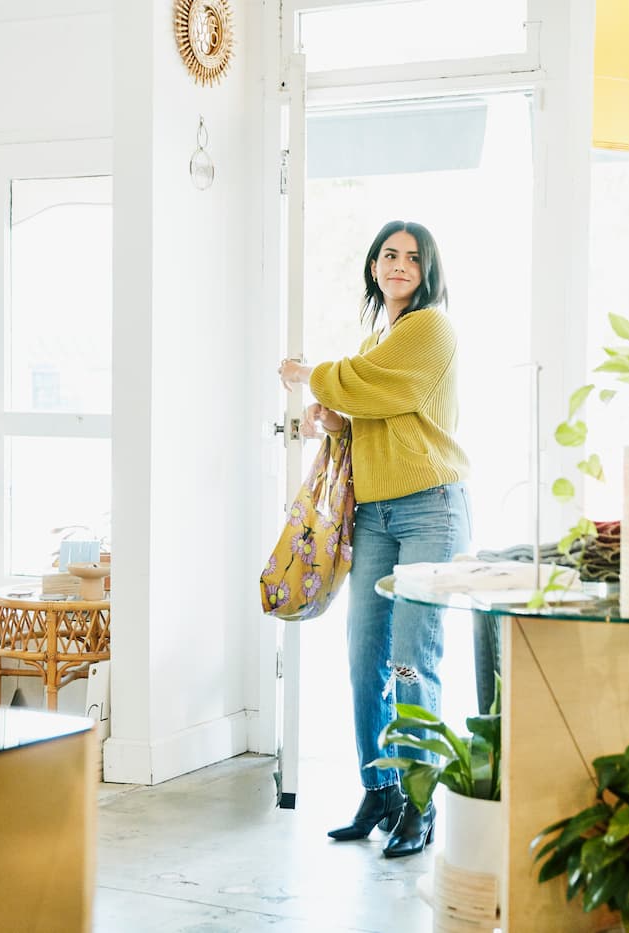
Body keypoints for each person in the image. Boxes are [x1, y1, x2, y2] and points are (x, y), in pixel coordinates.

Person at [278, 220, 471, 859]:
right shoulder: (377, 339)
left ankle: (419, 806)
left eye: (412, 258)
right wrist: (336, 417)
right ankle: (379, 790)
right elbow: (376, 405)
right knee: (366, 658)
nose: (398, 265)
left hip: (430, 510)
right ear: (372, 266)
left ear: (427, 271)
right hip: (378, 513)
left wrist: (315, 376)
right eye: (389, 255)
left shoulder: (428, 327)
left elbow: (388, 388)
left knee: (414, 661)